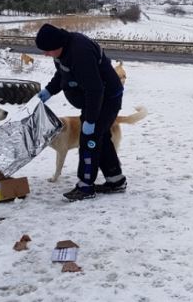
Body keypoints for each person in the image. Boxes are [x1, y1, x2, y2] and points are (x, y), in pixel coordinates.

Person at [35, 23, 126, 201]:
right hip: (93, 99)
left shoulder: (80, 52)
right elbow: (62, 74)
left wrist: (90, 120)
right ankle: (116, 180)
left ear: (56, 44)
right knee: (101, 137)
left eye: (47, 50)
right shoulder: (62, 50)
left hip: (106, 98)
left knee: (89, 140)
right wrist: (49, 91)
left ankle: (85, 187)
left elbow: (95, 89)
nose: (45, 54)